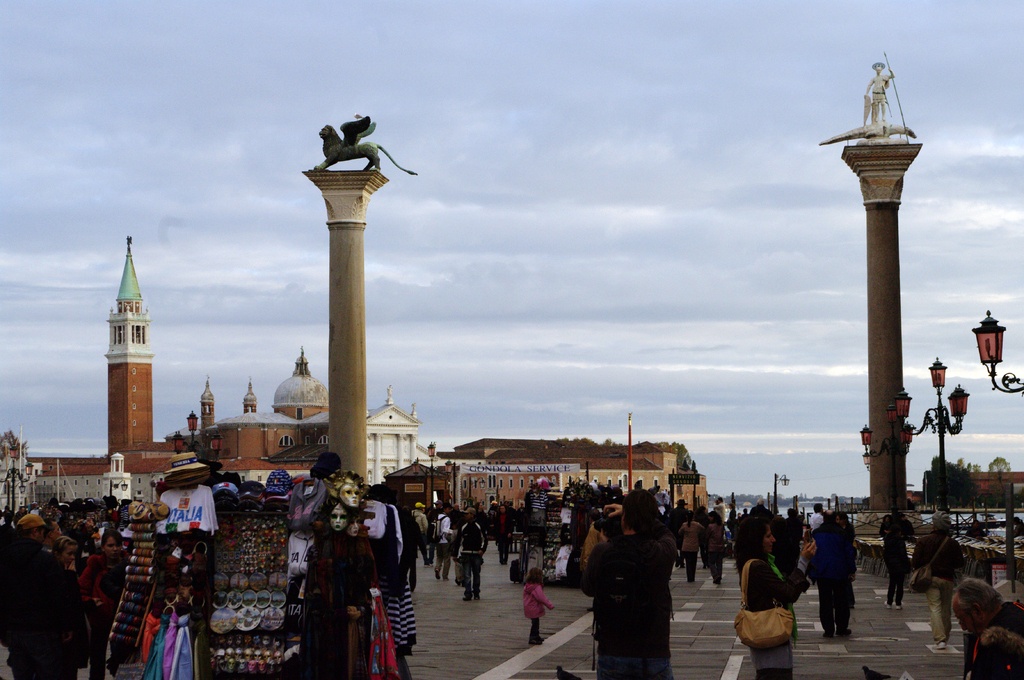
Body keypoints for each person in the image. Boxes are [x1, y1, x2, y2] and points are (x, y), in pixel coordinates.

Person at [582, 490, 676, 680]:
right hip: (653, 652)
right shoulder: (659, 552)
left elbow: (588, 588)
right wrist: (644, 517)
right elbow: (667, 535)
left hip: (612, 651)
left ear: (624, 518)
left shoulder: (602, 551)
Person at [734, 516, 817, 680]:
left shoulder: (759, 564)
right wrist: (803, 561)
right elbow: (788, 593)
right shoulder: (757, 567)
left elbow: (784, 586)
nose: (773, 539)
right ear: (756, 539)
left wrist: (804, 560)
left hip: (769, 640)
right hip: (770, 639)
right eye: (768, 536)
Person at [0, 514, 72, 680]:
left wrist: (2, 630)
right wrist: (66, 625)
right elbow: (58, 595)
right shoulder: (46, 559)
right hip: (42, 629)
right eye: (42, 532)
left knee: (21, 675)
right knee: (48, 674)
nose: (44, 536)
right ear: (35, 532)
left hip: (14, 629)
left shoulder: (4, 558)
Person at [911, 511, 964, 649]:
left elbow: (915, 562)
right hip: (947, 578)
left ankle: (940, 639)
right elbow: (960, 563)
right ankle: (945, 637)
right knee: (946, 609)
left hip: (930, 578)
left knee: (935, 608)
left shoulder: (923, 541)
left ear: (934, 525)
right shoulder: (952, 543)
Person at [953, 578, 1024, 680]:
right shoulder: (1015, 611)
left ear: (977, 611)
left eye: (962, 619)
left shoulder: (998, 645)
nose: (963, 627)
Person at [78, 529, 124, 680]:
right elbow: (80, 591)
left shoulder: (128, 566)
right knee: (97, 663)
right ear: (103, 547)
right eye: (110, 545)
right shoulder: (94, 567)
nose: (115, 549)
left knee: (121, 662)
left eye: (118, 545)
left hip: (123, 622)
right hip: (99, 621)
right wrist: (90, 601)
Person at [811, 511, 856, 638]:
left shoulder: (816, 533)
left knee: (825, 601)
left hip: (821, 571)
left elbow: (813, 551)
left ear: (824, 519)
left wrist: (812, 570)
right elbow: (849, 553)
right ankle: (841, 627)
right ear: (836, 518)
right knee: (841, 600)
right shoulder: (842, 533)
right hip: (839, 570)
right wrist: (851, 570)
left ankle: (828, 629)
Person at [52, 536, 88, 680]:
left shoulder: (69, 572)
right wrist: (71, 577)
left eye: (74, 554)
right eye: (69, 554)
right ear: (57, 554)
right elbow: (68, 601)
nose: (72, 557)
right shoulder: (58, 574)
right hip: (62, 632)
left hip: (72, 632)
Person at [453, 507, 487, 601]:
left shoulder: (479, 526)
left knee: (476, 574)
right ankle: (468, 592)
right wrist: (455, 554)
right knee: (467, 575)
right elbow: (458, 541)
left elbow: (484, 539)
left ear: (472, 515)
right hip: (466, 554)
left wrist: (482, 550)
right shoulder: (463, 527)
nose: (465, 516)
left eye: (467, 514)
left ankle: (476, 592)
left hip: (476, 554)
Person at [882, 524, 911, 610]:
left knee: (892, 584)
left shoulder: (887, 541)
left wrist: (888, 563)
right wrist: (907, 564)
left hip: (891, 564)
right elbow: (903, 554)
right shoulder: (899, 541)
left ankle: (889, 602)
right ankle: (898, 603)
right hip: (900, 564)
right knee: (900, 585)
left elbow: (885, 554)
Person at [523, 567, 555, 645]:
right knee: (535, 623)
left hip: (529, 606)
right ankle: (533, 637)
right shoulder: (536, 587)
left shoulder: (528, 585)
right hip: (534, 607)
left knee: (535, 622)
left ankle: (536, 636)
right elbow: (541, 597)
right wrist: (549, 605)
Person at [864, 62, 893, 126]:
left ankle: (883, 116)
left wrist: (891, 71)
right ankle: (877, 116)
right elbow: (869, 85)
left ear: (881, 70)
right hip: (875, 92)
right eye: (877, 70)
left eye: (879, 70)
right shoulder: (874, 78)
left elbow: (892, 76)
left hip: (881, 91)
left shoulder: (884, 76)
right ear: (875, 70)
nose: (878, 71)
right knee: (876, 105)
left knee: (883, 103)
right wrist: (866, 93)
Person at [677, 511, 703, 583]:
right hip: (694, 545)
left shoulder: (684, 525)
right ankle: (693, 576)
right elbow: (703, 529)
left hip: (686, 546)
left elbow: (679, 532)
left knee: (688, 562)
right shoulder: (697, 525)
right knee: (693, 562)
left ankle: (689, 577)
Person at [433, 503, 453, 581]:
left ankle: (437, 568)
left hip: (438, 540)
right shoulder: (447, 518)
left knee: (439, 556)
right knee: (447, 559)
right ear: (445, 509)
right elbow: (446, 530)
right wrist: (452, 533)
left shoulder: (437, 516)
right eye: (449, 509)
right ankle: (445, 575)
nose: (450, 510)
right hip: (445, 540)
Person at [706, 512, 726, 585]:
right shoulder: (721, 525)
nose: (709, 518)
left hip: (712, 547)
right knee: (719, 563)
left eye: (710, 517)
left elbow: (707, 535)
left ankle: (715, 575)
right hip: (720, 547)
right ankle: (719, 576)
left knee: (711, 562)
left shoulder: (710, 526)